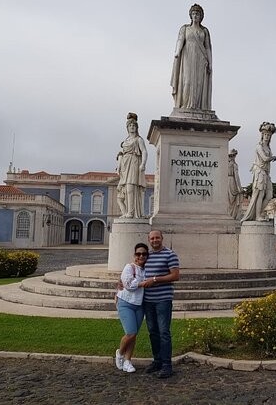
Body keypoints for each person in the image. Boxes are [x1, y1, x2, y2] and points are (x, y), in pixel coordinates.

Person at [143, 230, 180, 378]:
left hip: (163, 299)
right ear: (149, 240)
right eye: (152, 238)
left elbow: (175, 275)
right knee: (153, 331)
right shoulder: (147, 256)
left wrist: (155, 280)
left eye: (157, 237)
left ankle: (167, 365)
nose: (155, 240)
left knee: (164, 332)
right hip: (148, 300)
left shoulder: (170, 254)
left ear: (162, 239)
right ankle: (157, 360)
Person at [114, 243, 149, 373]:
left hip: (139, 305)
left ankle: (128, 361)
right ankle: (120, 352)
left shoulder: (147, 269)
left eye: (144, 254)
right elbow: (128, 284)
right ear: (134, 255)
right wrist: (143, 283)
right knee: (131, 332)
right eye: (138, 254)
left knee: (134, 335)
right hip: (126, 302)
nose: (141, 256)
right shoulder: (129, 267)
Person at [171, 3, 212, 111]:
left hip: (201, 59)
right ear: (190, 15)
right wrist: (177, 52)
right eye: (193, 14)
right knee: (187, 82)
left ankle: (197, 107)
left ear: (201, 16)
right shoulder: (185, 28)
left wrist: (210, 63)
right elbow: (180, 40)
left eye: (197, 14)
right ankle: (184, 106)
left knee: (199, 84)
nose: (195, 16)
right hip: (187, 57)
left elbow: (208, 47)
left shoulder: (204, 31)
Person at [240, 122, 276, 222]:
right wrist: (272, 157)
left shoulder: (268, 147)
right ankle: (257, 216)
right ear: (262, 135)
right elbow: (265, 158)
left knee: (269, 195)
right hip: (259, 172)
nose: (267, 136)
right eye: (265, 134)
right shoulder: (258, 146)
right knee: (259, 194)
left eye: (269, 135)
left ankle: (259, 212)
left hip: (266, 173)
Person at [116, 112, 148, 218]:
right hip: (125, 165)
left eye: (134, 125)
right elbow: (121, 154)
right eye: (130, 125)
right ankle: (127, 212)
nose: (132, 127)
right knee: (125, 190)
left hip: (134, 163)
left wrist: (143, 163)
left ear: (136, 127)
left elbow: (144, 151)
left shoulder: (138, 139)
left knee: (131, 188)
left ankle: (131, 213)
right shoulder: (126, 141)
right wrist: (119, 167)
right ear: (127, 127)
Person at [228, 149, 243, 219]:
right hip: (232, 181)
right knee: (233, 201)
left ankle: (228, 215)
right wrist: (239, 187)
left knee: (228, 200)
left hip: (226, 181)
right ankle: (232, 216)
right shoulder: (234, 165)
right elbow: (236, 176)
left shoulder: (225, 163)